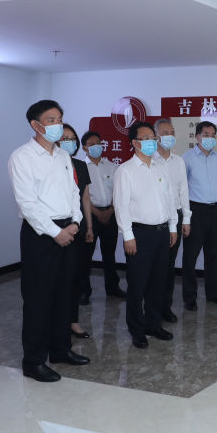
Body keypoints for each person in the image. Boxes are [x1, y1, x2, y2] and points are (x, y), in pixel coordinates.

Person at [8, 100, 90, 382]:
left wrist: (76, 222)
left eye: (60, 119)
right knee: (39, 299)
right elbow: (28, 203)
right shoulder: (22, 157)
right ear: (36, 125)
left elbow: (74, 193)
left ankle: (60, 349)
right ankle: (33, 361)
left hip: (69, 229)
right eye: (51, 120)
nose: (58, 124)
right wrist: (56, 232)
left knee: (65, 294)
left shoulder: (63, 156)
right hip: (41, 235)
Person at [114, 121, 178, 348]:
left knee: (158, 282)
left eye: (153, 138)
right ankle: (137, 329)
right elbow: (121, 206)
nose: (152, 142)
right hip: (139, 235)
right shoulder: (125, 171)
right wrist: (127, 235)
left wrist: (172, 226)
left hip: (162, 233)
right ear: (135, 143)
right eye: (146, 138)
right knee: (137, 285)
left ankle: (153, 324)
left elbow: (170, 198)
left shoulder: (161, 167)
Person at [182, 120, 217, 310]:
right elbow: (182, 188)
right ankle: (189, 297)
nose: (210, 138)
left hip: (214, 210)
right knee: (190, 257)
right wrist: (185, 216)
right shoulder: (187, 158)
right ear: (197, 137)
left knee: (213, 254)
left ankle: (213, 294)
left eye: (213, 135)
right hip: (195, 211)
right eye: (206, 135)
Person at [80, 130, 126, 301]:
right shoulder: (81, 167)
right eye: (91, 144)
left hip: (110, 214)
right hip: (90, 216)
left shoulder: (112, 166)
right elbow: (81, 196)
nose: (96, 147)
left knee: (109, 254)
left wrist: (110, 210)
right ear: (84, 148)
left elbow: (118, 191)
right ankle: (84, 291)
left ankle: (112, 288)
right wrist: (97, 212)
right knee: (85, 255)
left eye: (98, 143)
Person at [59, 124, 94, 339]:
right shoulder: (49, 165)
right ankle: (56, 323)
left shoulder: (80, 166)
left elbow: (85, 198)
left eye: (72, 139)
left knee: (75, 276)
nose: (69, 142)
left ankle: (72, 320)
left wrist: (89, 226)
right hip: (55, 230)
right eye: (65, 138)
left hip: (77, 226)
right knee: (56, 279)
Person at [153, 118, 190, 323]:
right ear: (156, 136)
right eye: (165, 133)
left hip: (175, 218)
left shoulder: (179, 161)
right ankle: (151, 307)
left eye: (172, 132)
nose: (170, 136)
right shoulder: (150, 160)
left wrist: (187, 219)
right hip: (155, 219)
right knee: (154, 266)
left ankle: (165, 306)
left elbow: (183, 190)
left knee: (168, 265)